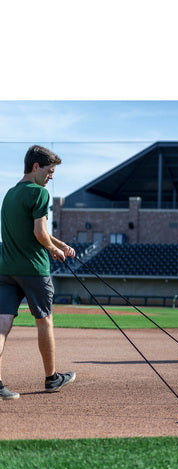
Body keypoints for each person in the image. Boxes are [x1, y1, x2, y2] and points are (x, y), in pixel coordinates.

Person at [0, 145, 77, 398]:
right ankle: (52, 378)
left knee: (2, 324)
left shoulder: (10, 194)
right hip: (34, 269)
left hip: (6, 269)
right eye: (50, 170)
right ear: (36, 167)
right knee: (44, 320)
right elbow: (39, 233)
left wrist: (61, 245)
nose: (51, 176)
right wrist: (53, 251)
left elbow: (36, 231)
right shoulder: (40, 193)